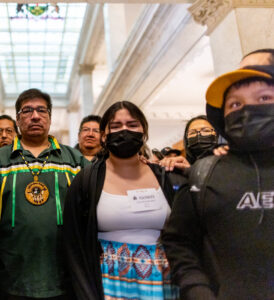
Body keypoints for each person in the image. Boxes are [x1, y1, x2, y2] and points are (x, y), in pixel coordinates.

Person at [162, 65, 274, 299]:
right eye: (235, 104)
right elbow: (179, 241)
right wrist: (197, 290)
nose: (248, 110)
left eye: (264, 98)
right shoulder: (203, 175)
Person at [63, 101, 178, 300]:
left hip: (163, 282)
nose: (124, 130)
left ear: (144, 131)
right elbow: (73, 242)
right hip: (106, 283)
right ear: (104, 135)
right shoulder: (86, 180)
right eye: (116, 126)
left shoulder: (165, 176)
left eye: (132, 125)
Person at [0, 88, 88, 299]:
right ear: (18, 119)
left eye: (41, 110)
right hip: (11, 273)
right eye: (27, 111)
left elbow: (103, 187)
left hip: (63, 273)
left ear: (50, 118)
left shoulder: (74, 159)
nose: (35, 116)